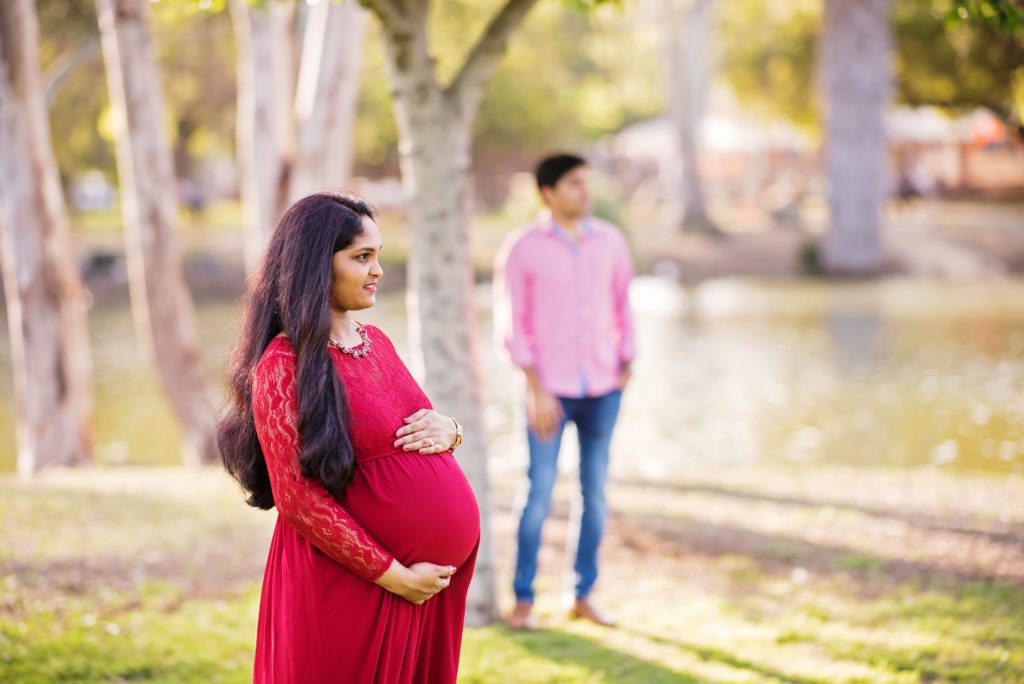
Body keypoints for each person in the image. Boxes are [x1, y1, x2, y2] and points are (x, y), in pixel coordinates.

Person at [217, 192, 480, 683]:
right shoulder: (282, 364)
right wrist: (396, 576)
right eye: (362, 257)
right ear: (318, 264)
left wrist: (453, 431)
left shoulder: (375, 342)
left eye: (378, 255)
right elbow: (297, 498)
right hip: (350, 583)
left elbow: (412, 428)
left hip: (417, 588)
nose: (377, 270)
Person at [494, 153, 635, 630]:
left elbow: (623, 306)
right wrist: (535, 388)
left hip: (602, 389)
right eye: (574, 183)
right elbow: (513, 325)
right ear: (548, 193)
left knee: (594, 493)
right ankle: (523, 600)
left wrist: (627, 363)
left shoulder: (611, 242)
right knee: (539, 493)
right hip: (547, 392)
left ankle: (583, 594)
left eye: (585, 182)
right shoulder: (523, 248)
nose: (584, 191)